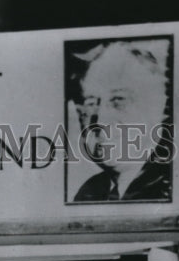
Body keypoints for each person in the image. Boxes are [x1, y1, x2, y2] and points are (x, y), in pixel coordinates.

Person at [68, 39, 172, 202]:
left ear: (157, 108)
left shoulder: (173, 191)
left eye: (118, 99)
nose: (100, 121)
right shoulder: (89, 192)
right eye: (91, 103)